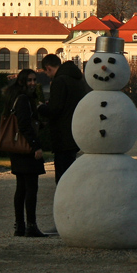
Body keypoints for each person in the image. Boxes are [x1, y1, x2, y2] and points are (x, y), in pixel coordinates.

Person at [5, 69, 48, 237]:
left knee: (21, 188)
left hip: (17, 148)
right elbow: (24, 125)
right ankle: (31, 225)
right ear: (22, 81)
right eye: (29, 80)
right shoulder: (23, 99)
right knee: (31, 188)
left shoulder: (14, 97)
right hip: (26, 148)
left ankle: (20, 226)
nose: (32, 83)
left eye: (34, 80)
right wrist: (36, 146)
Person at [37, 53, 90, 184]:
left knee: (62, 175)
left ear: (48, 68)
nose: (47, 75)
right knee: (70, 170)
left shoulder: (59, 81)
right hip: (74, 130)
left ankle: (64, 202)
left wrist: (41, 108)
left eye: (46, 72)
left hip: (62, 133)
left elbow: (55, 109)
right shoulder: (77, 78)